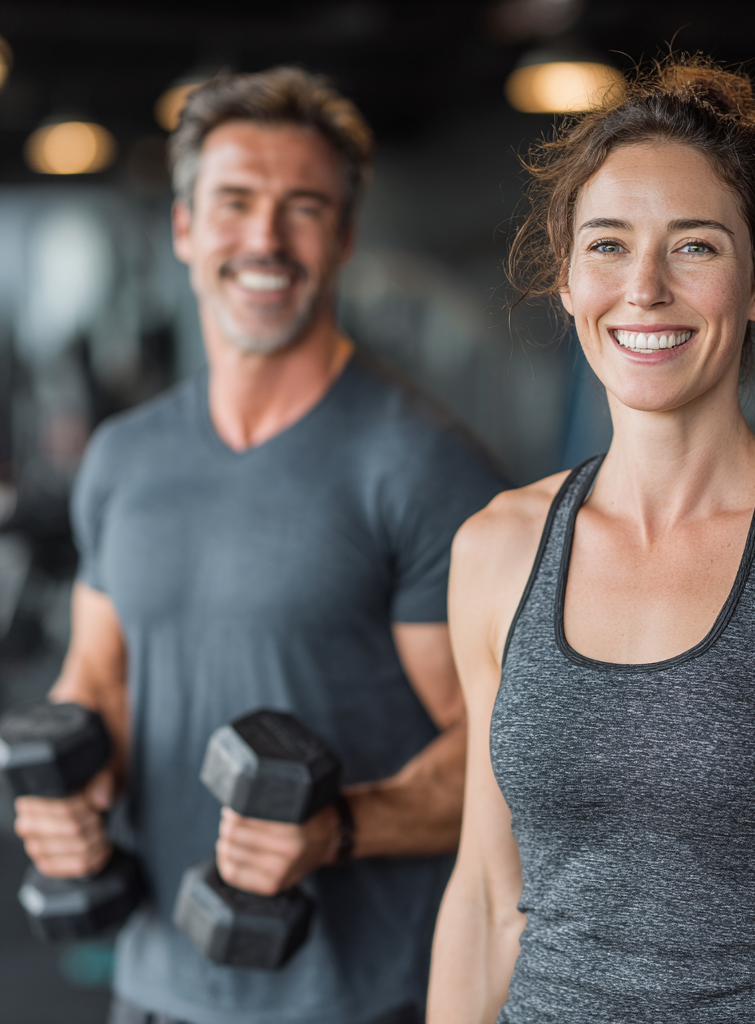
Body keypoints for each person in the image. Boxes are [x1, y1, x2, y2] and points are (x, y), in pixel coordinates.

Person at [427, 57, 755, 1024]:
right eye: (607, 245)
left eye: (694, 248)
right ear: (566, 278)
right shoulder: (497, 550)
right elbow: (482, 899)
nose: (643, 288)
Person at [12, 67, 506, 1024]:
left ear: (346, 237)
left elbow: (500, 757)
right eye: (234, 203)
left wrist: (342, 828)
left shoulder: (422, 466)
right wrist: (67, 800)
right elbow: (100, 679)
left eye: (303, 208)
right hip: (154, 990)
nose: (265, 240)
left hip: (358, 1000)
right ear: (186, 227)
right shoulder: (124, 456)